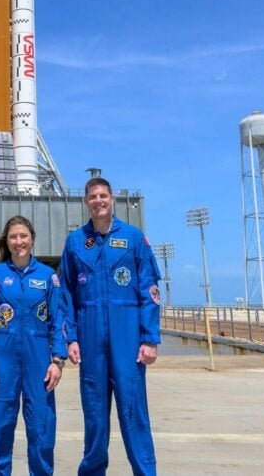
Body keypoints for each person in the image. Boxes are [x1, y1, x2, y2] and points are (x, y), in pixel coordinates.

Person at [58, 177, 162, 476]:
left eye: (103, 195)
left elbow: (149, 289)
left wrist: (150, 338)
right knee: (95, 417)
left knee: (134, 413)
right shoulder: (76, 242)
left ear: (112, 199)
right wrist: (71, 338)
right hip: (90, 339)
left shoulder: (132, 238)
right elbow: (66, 294)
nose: (99, 200)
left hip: (127, 337)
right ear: (86, 201)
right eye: (93, 196)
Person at [0, 215, 74, 476]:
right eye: (13, 237)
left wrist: (57, 361)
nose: (19, 241)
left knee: (42, 429)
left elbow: (58, 320)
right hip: (3, 360)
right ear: (7, 242)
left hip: (38, 359)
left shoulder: (47, 276)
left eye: (23, 236)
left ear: (32, 239)